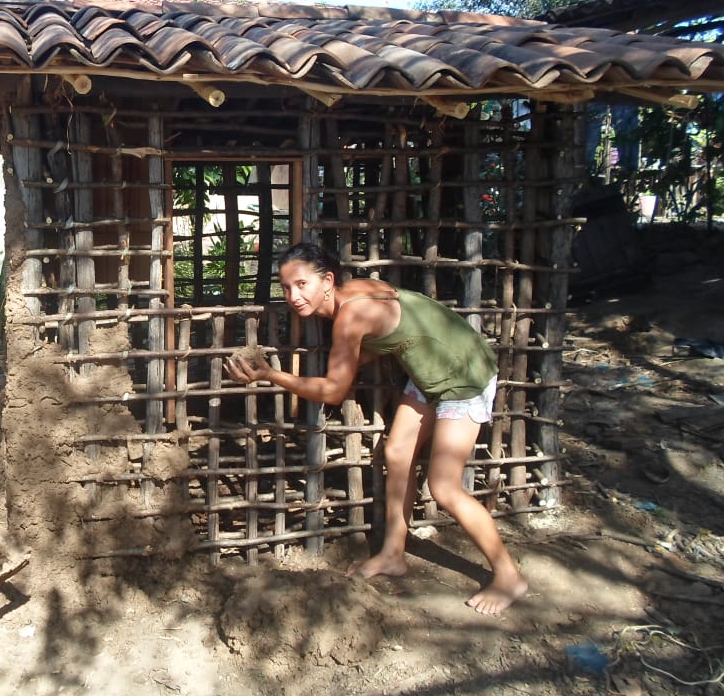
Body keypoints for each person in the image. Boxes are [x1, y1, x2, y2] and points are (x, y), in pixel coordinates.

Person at [225, 242, 528, 615]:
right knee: (397, 453)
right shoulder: (355, 291)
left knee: (444, 487)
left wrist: (271, 375)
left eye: (302, 284)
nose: (294, 296)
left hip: (464, 374)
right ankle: (393, 554)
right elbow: (392, 329)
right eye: (286, 287)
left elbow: (333, 392)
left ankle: (509, 576)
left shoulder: (350, 317)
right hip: (430, 370)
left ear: (327, 281)